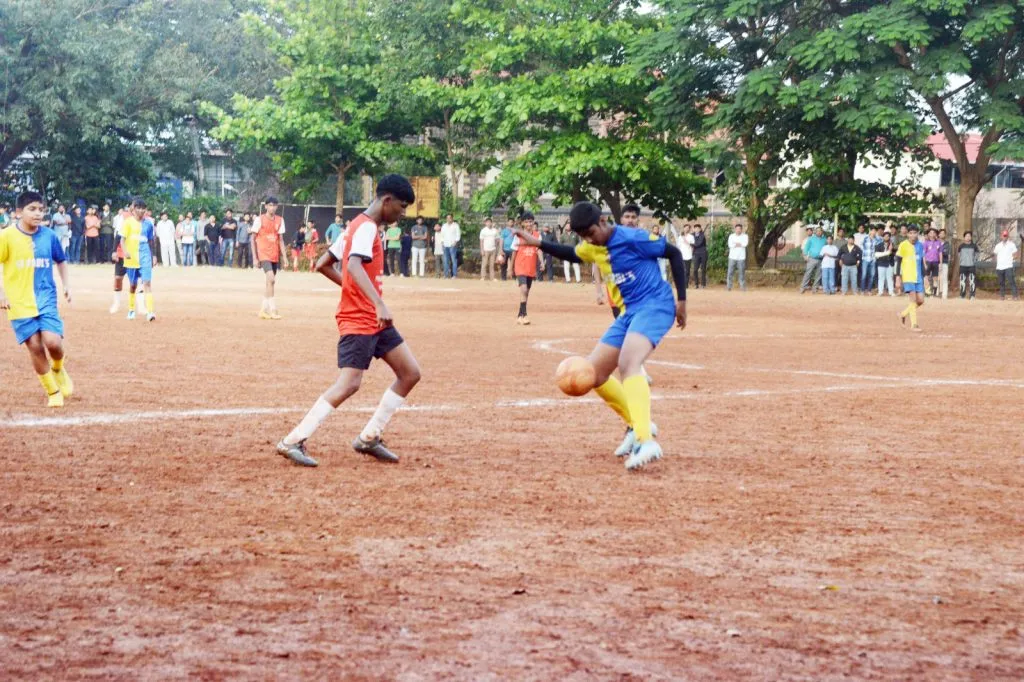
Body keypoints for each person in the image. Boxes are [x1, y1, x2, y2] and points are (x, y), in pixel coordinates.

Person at [513, 201, 688, 471]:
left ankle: (646, 441)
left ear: (604, 221)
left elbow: (674, 253)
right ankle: (635, 423)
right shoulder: (592, 246)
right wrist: (537, 243)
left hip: (656, 305)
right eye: (584, 236)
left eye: (591, 233)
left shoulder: (632, 237)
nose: (589, 240)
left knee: (629, 364)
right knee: (592, 374)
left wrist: (682, 302)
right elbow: (573, 254)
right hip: (631, 312)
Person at [276, 175, 420, 468]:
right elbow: (353, 263)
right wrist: (377, 302)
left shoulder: (357, 225)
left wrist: (356, 293)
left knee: (410, 373)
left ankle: (369, 437)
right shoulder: (366, 227)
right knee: (350, 383)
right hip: (361, 319)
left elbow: (322, 264)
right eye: (402, 207)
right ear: (386, 200)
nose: (402, 214)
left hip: (372, 318)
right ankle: (293, 440)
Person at [0, 191, 73, 407]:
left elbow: (61, 260)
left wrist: (66, 284)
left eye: (41, 209)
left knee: (53, 342)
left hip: (45, 297)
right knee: (34, 346)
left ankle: (58, 367)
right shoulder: (6, 236)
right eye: (32, 209)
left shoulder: (49, 235)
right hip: (18, 301)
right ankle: (53, 391)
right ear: (18, 212)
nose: (38, 213)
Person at [252, 196, 289, 319]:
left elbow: (281, 240)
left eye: (274, 205)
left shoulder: (280, 220)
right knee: (272, 279)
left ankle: (263, 309)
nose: (272, 207)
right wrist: (255, 258)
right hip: (264, 254)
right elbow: (252, 239)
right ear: (266, 206)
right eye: (270, 205)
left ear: (277, 207)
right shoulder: (259, 219)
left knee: (269, 283)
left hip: (274, 255)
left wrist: (285, 257)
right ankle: (273, 310)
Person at [121, 198, 157, 322]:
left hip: (145, 256)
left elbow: (151, 240)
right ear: (134, 209)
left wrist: (154, 255)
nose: (141, 210)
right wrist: (125, 251)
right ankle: (131, 310)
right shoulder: (128, 222)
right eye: (139, 208)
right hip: (132, 258)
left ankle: (150, 312)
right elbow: (122, 239)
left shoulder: (148, 224)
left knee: (147, 282)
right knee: (133, 285)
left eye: (143, 208)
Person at [511, 213, 541, 324]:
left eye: (531, 221)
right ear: (522, 223)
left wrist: (542, 261)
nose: (529, 223)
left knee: (526, 292)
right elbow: (514, 252)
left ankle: (520, 315)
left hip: (530, 267)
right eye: (527, 221)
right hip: (520, 266)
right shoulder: (518, 236)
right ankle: (525, 315)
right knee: (523, 289)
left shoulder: (537, 235)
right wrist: (511, 267)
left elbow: (539, 249)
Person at [895, 225, 925, 332]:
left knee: (920, 300)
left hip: (918, 277)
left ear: (918, 234)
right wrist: (897, 277)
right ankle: (914, 324)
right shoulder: (903, 245)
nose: (912, 235)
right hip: (908, 276)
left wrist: (924, 277)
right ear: (907, 234)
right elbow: (898, 262)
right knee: (912, 299)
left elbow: (921, 262)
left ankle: (903, 314)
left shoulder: (920, 246)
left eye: (915, 233)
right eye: (910, 233)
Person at [993, 229, 1019, 300]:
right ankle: (1002, 296)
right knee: (1001, 283)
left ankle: (1015, 296)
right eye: (1003, 235)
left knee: (1011, 281)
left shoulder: (1012, 244)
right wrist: (997, 261)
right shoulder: (998, 245)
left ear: (1008, 236)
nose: (1004, 237)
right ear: (1001, 236)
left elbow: (1016, 254)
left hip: (1008, 266)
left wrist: (1012, 258)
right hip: (999, 266)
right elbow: (995, 255)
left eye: (1006, 235)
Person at [957, 231, 980, 300]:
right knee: (962, 281)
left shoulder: (974, 246)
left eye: (969, 236)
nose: (968, 237)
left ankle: (972, 295)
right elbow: (959, 255)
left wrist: (974, 260)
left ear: (971, 237)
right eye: (966, 236)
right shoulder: (961, 246)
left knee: (972, 281)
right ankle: (962, 295)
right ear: (964, 238)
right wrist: (961, 261)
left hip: (971, 266)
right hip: (963, 266)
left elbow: (977, 254)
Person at [726, 224, 748, 291]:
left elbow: (745, 244)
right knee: (730, 272)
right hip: (732, 257)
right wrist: (739, 244)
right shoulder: (731, 236)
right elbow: (730, 245)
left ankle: (742, 287)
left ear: (741, 229)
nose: (738, 230)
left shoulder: (745, 236)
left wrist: (736, 244)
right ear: (735, 229)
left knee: (741, 272)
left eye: (739, 229)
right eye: (737, 229)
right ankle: (729, 286)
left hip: (741, 257)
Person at [922, 228, 942, 296]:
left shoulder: (938, 242)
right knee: (926, 277)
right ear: (928, 234)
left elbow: (940, 253)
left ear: (936, 234)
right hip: (928, 262)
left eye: (934, 232)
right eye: (930, 233)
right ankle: (927, 292)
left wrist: (941, 263)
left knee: (935, 278)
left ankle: (934, 292)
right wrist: (924, 263)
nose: (932, 234)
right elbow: (923, 254)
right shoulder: (926, 243)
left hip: (936, 262)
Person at [860, 226, 879, 294]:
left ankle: (869, 290)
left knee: (872, 275)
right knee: (864, 275)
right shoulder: (865, 238)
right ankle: (862, 290)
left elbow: (878, 248)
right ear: (870, 231)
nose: (873, 232)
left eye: (875, 231)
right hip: (865, 259)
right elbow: (861, 246)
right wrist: (864, 252)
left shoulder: (877, 239)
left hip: (873, 260)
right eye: (872, 231)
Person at [876, 230, 895, 296]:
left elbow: (894, 254)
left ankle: (891, 292)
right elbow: (876, 255)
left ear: (889, 237)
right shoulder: (879, 245)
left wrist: (891, 250)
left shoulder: (892, 245)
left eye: (888, 236)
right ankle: (880, 292)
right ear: (883, 237)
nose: (886, 237)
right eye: (885, 236)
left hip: (890, 263)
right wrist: (887, 252)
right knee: (881, 278)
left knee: (890, 278)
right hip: (881, 263)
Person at [441, 213, 460, 278]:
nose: (448, 219)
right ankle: (446, 275)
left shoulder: (456, 225)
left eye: (450, 218)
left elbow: (458, 235)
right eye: (447, 218)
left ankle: (454, 275)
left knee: (453, 260)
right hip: (445, 245)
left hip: (452, 245)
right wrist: (442, 242)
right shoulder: (444, 225)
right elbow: (442, 235)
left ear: (452, 218)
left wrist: (455, 242)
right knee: (446, 260)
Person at [691, 224, 708, 288]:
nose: (697, 229)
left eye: (698, 228)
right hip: (696, 254)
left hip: (703, 253)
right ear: (694, 229)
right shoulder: (692, 235)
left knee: (703, 269)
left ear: (700, 229)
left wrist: (690, 243)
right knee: (695, 269)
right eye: (695, 228)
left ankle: (703, 284)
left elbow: (698, 244)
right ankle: (696, 284)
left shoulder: (702, 235)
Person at [938, 228, 951, 299]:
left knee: (944, 278)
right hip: (936, 263)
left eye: (943, 233)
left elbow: (947, 253)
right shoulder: (936, 243)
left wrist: (940, 252)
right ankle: (937, 293)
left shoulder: (947, 243)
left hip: (944, 263)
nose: (942, 234)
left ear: (945, 235)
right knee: (936, 278)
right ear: (938, 234)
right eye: (941, 233)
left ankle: (944, 294)